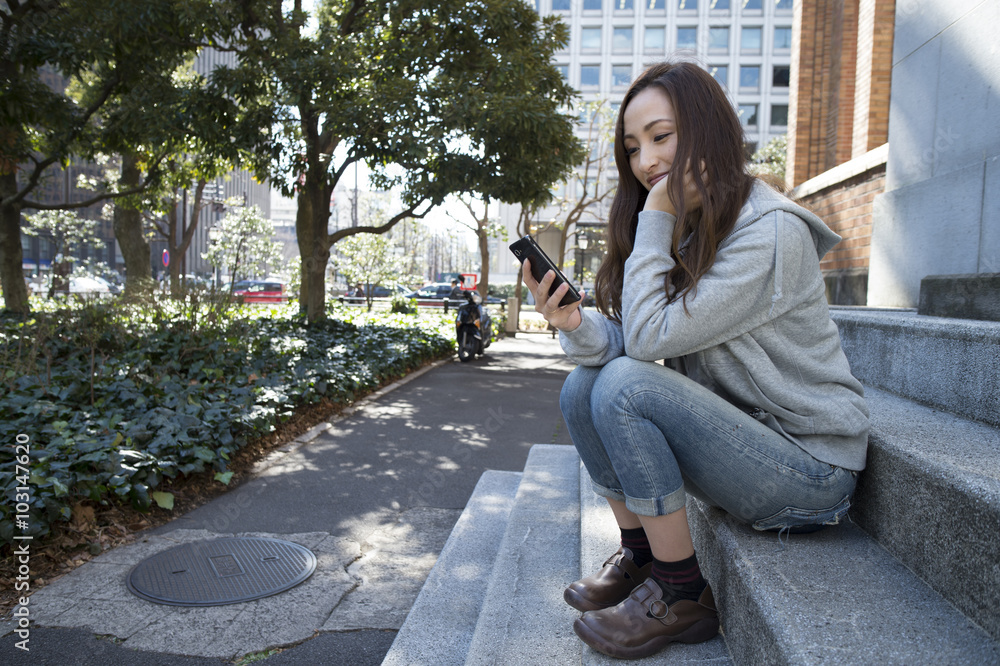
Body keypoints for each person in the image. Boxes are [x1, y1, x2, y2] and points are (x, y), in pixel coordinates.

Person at [522, 61, 869, 660]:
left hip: (811, 473)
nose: (646, 161)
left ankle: (682, 594)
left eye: (662, 136)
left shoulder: (769, 233)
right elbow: (639, 336)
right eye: (633, 148)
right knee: (584, 385)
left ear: (708, 132)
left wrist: (654, 220)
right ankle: (639, 555)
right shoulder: (694, 229)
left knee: (625, 387)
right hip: (748, 443)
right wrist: (573, 324)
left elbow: (651, 342)